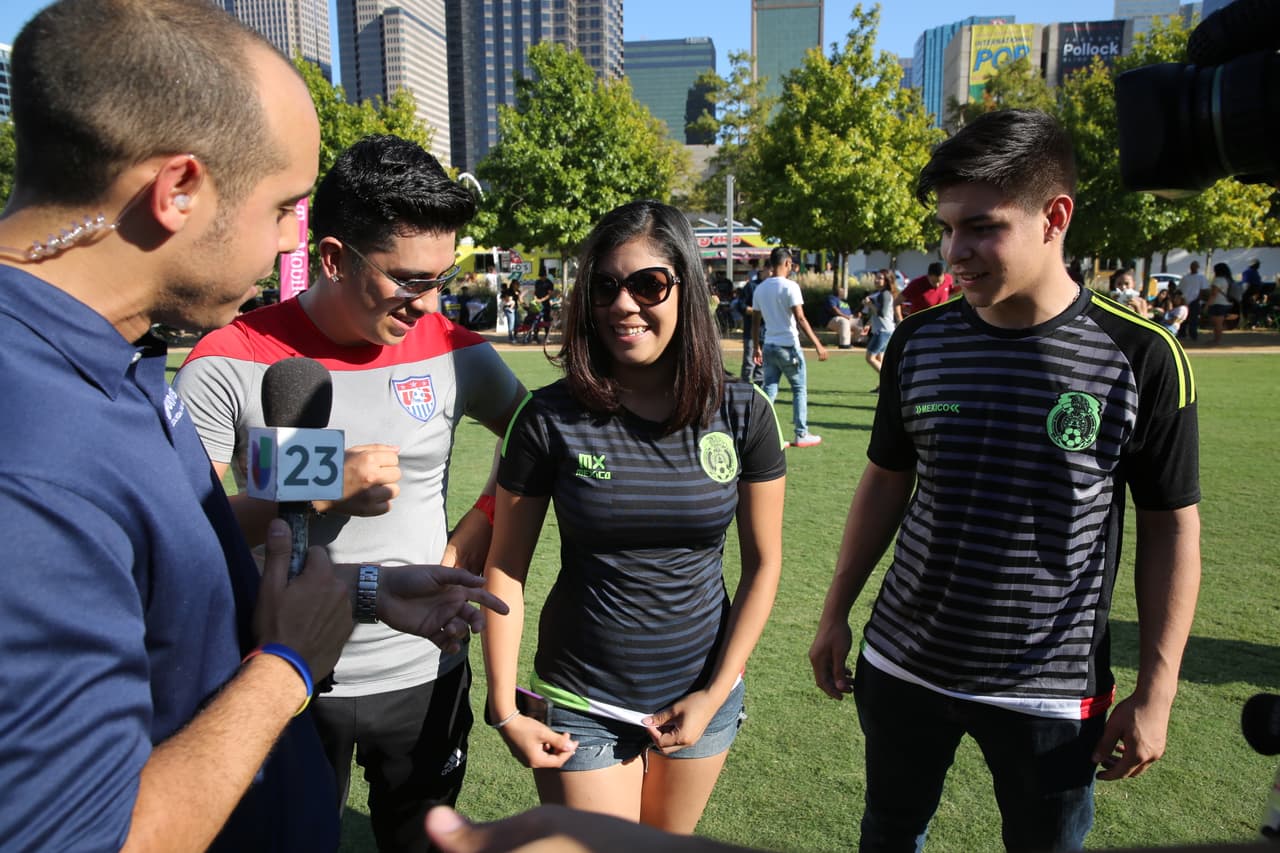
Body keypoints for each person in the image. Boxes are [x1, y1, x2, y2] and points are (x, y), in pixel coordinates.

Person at [0, 2, 506, 851]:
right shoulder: (31, 447)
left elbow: (185, 572)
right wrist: (286, 669)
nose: (286, 246)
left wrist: (368, 591)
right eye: (284, 208)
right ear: (178, 190)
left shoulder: (114, 358)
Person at [809, 109, 1200, 853]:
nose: (954, 251)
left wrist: (1158, 689)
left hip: (1048, 689)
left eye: (982, 227)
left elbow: (1171, 528)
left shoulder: (1141, 355)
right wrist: (836, 611)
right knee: (889, 833)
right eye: (946, 228)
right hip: (903, 662)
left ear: (1055, 218)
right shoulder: (919, 341)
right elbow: (886, 482)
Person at [175, 134, 527, 853]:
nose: (429, 302)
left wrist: (477, 527)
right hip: (281, 669)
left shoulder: (455, 348)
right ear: (333, 258)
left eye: (440, 277)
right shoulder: (227, 360)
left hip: (427, 662)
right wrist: (321, 487)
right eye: (408, 280)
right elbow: (186, 535)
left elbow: (532, 442)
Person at [482, 200, 786, 834]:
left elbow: (763, 565)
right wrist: (504, 705)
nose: (623, 304)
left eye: (648, 284)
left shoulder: (744, 411)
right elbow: (506, 568)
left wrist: (714, 692)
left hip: (703, 690)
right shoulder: (547, 418)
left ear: (686, 289)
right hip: (581, 697)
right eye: (605, 286)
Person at [752, 246, 829, 448]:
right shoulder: (790, 287)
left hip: (769, 345)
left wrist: (756, 347)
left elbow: (755, 322)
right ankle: (801, 433)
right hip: (788, 346)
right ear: (787, 263)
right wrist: (818, 344)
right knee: (799, 389)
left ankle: (757, 433)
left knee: (769, 389)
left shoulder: (760, 288)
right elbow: (801, 318)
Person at [863, 270, 900, 393]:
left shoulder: (885, 294)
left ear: (887, 281)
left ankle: (890, 381)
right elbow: (878, 314)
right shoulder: (881, 293)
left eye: (880, 278)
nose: (877, 280)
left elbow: (882, 313)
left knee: (870, 357)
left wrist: (869, 304)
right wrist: (869, 324)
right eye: (876, 278)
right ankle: (883, 386)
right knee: (880, 359)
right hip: (884, 330)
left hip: (883, 331)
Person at [739, 257, 765, 385]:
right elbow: (741, 306)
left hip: (767, 332)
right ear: (764, 269)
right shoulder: (751, 286)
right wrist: (757, 312)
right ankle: (743, 388)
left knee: (762, 364)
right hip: (751, 331)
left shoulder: (772, 287)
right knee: (749, 362)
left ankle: (760, 391)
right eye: (771, 270)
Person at [1178, 260, 1207, 342]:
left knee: (1194, 319)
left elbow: (1203, 290)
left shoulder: (1201, 277)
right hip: (1185, 300)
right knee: (1183, 318)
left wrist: (1198, 299)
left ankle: (1193, 335)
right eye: (1192, 266)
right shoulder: (1185, 277)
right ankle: (1182, 333)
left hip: (1195, 300)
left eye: (1195, 266)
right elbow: (1180, 289)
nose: (1193, 268)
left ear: (1197, 267)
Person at [1207, 262, 1234, 345]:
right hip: (1226, 303)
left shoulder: (1217, 280)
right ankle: (1216, 339)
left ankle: (1217, 340)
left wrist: (1207, 305)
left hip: (1218, 304)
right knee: (1219, 323)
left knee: (1217, 324)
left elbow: (1213, 294)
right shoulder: (1227, 280)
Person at [824, 284, 858, 349]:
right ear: (836, 291)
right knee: (844, 321)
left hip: (847, 318)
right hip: (833, 320)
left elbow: (850, 313)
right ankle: (844, 344)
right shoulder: (832, 298)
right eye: (841, 291)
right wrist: (845, 316)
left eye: (843, 291)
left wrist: (856, 315)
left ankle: (857, 342)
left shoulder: (845, 301)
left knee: (858, 322)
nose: (843, 292)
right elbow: (834, 310)